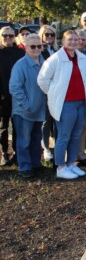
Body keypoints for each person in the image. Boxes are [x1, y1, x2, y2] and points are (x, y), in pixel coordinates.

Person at [37, 30, 86, 180]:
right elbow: (42, 80)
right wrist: (54, 94)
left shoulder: (82, 58)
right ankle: (60, 166)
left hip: (81, 103)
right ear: (63, 42)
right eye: (70, 39)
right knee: (64, 136)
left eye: (76, 39)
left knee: (76, 135)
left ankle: (70, 163)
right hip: (66, 104)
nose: (73, 42)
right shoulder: (55, 59)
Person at [9, 34, 46, 178]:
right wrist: (27, 105)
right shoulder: (20, 65)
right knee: (24, 141)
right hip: (24, 111)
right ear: (25, 47)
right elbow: (14, 88)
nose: (37, 49)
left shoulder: (44, 63)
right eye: (33, 46)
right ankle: (24, 167)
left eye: (39, 46)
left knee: (36, 139)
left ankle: (35, 164)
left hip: (39, 110)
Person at [0, 26, 25, 166]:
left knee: (18, 127)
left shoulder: (20, 53)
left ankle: (16, 152)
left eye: (11, 35)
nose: (8, 38)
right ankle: (4, 153)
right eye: (5, 35)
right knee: (3, 127)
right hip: (2, 98)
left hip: (18, 97)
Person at [39, 25, 58, 161]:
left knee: (56, 121)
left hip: (57, 91)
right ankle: (46, 149)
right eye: (47, 35)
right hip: (44, 91)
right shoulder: (38, 50)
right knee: (46, 122)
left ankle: (57, 148)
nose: (49, 37)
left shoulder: (57, 50)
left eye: (52, 35)